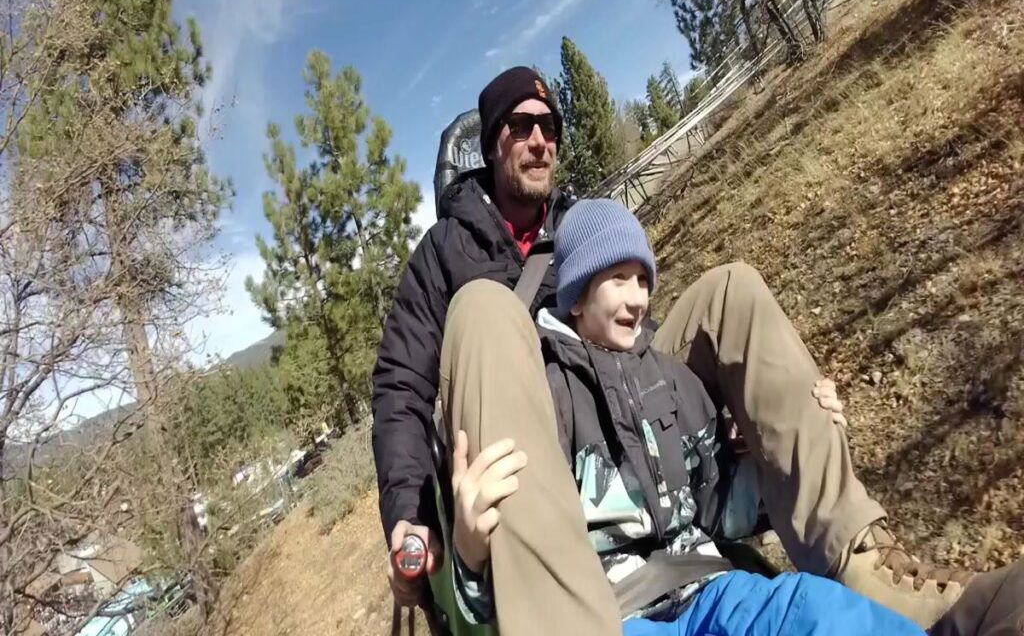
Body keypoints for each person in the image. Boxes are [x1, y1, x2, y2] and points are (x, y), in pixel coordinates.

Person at [371, 67, 976, 634]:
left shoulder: (581, 222)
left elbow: (635, 330)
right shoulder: (444, 254)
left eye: (549, 127)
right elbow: (401, 388)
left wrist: (774, 426)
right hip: (526, 430)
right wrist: (408, 517)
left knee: (730, 292)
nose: (539, 141)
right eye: (520, 126)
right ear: (490, 144)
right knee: (484, 307)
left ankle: (856, 557)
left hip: (603, 396)